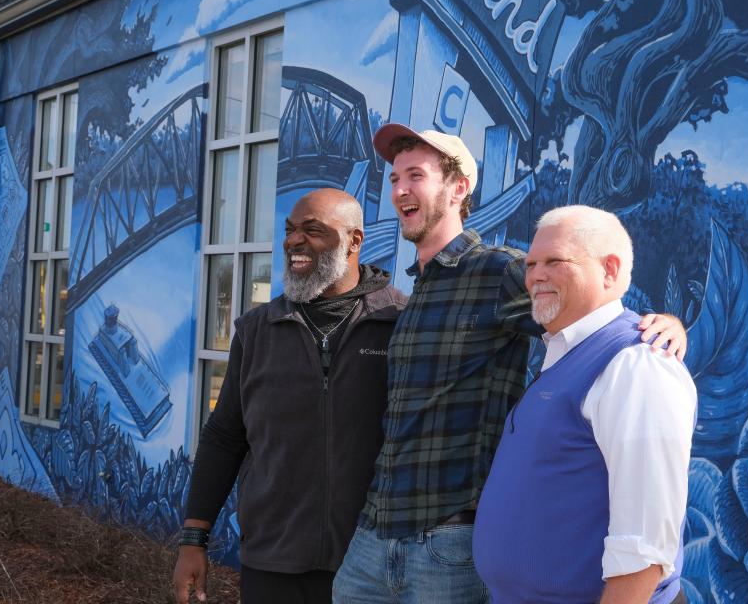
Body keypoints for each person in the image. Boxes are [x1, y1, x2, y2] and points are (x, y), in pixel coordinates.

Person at [332, 126, 687, 603]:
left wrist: (665, 323)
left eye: (415, 175)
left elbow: (591, 308)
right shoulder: (418, 288)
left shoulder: (499, 271)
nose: (399, 190)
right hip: (375, 533)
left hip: (446, 543)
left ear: (458, 189)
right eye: (394, 178)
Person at [173, 189, 407, 604]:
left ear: (355, 241)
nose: (294, 241)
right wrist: (194, 538)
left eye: (313, 231)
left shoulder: (400, 324)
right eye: (290, 230)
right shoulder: (256, 329)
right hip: (272, 562)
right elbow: (225, 437)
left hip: (370, 564)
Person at [472, 205, 697, 604]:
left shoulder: (637, 363)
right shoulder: (564, 352)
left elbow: (644, 547)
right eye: (531, 264)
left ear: (610, 270)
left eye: (554, 261)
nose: (536, 275)